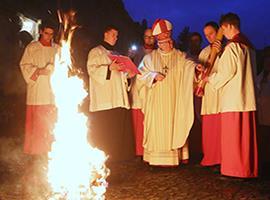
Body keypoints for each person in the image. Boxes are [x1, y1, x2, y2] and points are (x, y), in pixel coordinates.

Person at [203, 13, 258, 178]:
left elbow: (225, 73)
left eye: (222, 30)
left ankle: (234, 170)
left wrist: (208, 78)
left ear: (226, 26)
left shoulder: (233, 47)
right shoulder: (249, 47)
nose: (222, 34)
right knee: (245, 138)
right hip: (247, 97)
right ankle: (246, 168)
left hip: (233, 99)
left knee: (233, 138)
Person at [137, 19, 196, 166]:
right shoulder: (149, 58)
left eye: (169, 41)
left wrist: (196, 68)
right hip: (156, 101)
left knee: (175, 123)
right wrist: (153, 76)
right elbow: (140, 74)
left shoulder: (180, 56)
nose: (168, 44)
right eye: (164, 42)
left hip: (175, 99)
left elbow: (189, 65)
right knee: (158, 127)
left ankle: (175, 157)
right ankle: (156, 159)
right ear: (158, 42)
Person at [87, 25, 135, 162]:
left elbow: (121, 77)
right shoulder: (96, 52)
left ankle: (117, 157)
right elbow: (92, 70)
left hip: (118, 98)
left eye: (117, 35)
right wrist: (109, 68)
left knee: (116, 131)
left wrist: (128, 75)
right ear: (105, 34)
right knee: (106, 131)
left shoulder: (118, 54)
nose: (116, 38)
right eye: (113, 34)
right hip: (104, 99)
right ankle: (104, 159)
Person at [20, 20, 58, 185]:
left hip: (53, 93)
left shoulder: (58, 49)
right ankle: (37, 157)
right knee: (37, 126)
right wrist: (40, 71)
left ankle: (51, 153)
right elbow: (24, 65)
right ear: (41, 32)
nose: (49, 36)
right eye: (46, 33)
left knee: (51, 125)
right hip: (38, 93)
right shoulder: (32, 48)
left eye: (51, 34)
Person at [199, 21, 222, 167]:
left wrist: (219, 53)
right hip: (208, 94)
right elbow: (198, 73)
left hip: (220, 92)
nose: (209, 37)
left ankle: (221, 159)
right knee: (209, 129)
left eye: (211, 33)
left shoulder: (226, 48)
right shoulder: (204, 52)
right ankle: (210, 157)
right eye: (206, 35)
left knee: (220, 128)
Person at [130, 28, 155, 156]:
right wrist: (130, 58)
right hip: (137, 90)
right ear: (143, 38)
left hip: (152, 91)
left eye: (151, 37)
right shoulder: (136, 53)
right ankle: (139, 151)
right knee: (138, 122)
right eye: (147, 37)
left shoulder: (157, 53)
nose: (149, 39)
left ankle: (150, 152)